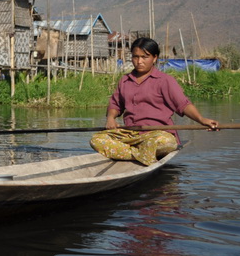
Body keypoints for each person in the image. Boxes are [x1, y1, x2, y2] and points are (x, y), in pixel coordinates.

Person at [90, 37, 218, 165]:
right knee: (97, 140)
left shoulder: (165, 81)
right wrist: (111, 118)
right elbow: (115, 104)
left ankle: (129, 153)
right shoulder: (125, 80)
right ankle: (141, 154)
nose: (139, 61)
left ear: (155, 58)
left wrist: (202, 120)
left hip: (158, 134)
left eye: (144, 57)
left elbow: (183, 105)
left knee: (165, 143)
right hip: (131, 134)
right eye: (135, 57)